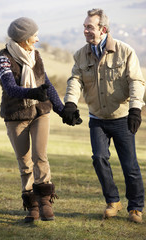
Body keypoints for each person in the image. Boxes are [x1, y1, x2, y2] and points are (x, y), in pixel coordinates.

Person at [62, 8, 145, 223]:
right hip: (97, 119)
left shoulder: (125, 51)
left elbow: (136, 81)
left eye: (89, 27)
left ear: (103, 29)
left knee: (130, 165)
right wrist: (70, 103)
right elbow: (75, 80)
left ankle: (135, 207)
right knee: (99, 159)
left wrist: (136, 109)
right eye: (84, 26)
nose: (85, 31)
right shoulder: (81, 54)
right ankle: (113, 202)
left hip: (122, 117)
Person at [0, 17, 65, 223]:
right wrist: (33, 92)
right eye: (34, 35)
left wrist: (62, 109)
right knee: (25, 162)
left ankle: (45, 202)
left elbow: (47, 84)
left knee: (40, 156)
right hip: (16, 116)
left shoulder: (35, 55)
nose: (37, 38)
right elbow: (9, 88)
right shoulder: (4, 58)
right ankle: (32, 204)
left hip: (39, 113)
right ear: (24, 38)